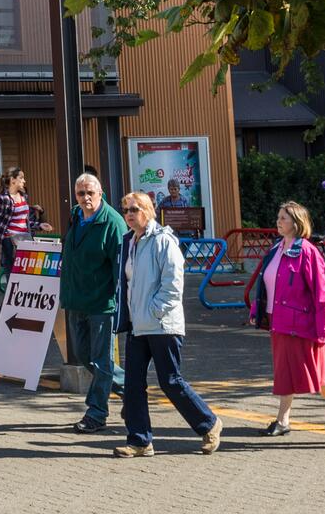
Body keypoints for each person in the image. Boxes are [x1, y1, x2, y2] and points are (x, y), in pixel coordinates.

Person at [111, 189, 221, 457]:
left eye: (134, 209)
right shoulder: (130, 242)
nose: (129, 215)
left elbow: (173, 285)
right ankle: (139, 441)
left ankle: (209, 423)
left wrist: (155, 312)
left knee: (170, 381)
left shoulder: (163, 240)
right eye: (126, 210)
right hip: (138, 326)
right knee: (133, 384)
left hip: (162, 325)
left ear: (148, 210)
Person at [246, 200, 325, 434]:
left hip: (298, 323)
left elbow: (321, 290)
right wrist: (257, 310)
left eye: (284, 218)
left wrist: (324, 327)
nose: (278, 221)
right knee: (311, 370)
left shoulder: (306, 251)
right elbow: (266, 285)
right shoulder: (276, 248)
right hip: (278, 320)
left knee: (288, 371)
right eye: (279, 217)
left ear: (297, 223)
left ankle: (283, 421)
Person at [62, 171, 124, 433]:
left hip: (102, 304)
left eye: (90, 193)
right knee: (86, 358)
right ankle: (133, 391)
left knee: (101, 361)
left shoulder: (112, 222)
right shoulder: (76, 216)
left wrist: (120, 305)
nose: (86, 198)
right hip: (77, 301)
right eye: (81, 193)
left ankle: (96, 414)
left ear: (101, 193)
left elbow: (120, 269)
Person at [0, 167, 38, 287]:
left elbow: (24, 221)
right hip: (10, 240)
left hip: (25, 238)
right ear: (13, 180)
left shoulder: (23, 196)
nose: (24, 181)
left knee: (27, 275)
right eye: (21, 178)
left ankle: (16, 305)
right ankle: (8, 305)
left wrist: (40, 225)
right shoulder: (3, 198)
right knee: (13, 276)